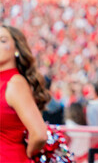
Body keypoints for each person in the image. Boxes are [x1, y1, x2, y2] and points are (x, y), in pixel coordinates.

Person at [0, 25, 50, 162]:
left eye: (3, 41)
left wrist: (27, 155)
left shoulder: (15, 84)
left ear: (17, 49)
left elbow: (39, 134)